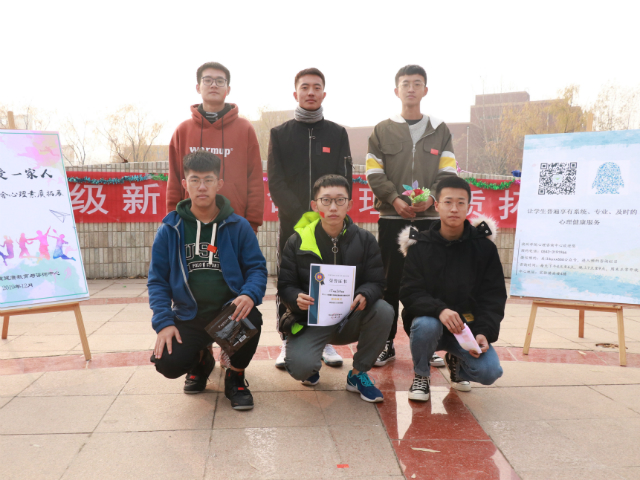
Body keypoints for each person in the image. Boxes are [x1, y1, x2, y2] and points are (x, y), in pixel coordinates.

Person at [149, 150, 268, 411]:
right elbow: (157, 281)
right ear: (185, 184)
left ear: (219, 184)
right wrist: (164, 322)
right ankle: (201, 360)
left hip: (227, 313)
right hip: (188, 316)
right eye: (195, 180)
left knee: (251, 317)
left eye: (208, 180)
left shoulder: (238, 226)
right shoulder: (170, 229)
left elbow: (257, 268)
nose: (201, 187)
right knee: (167, 363)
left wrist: (248, 293)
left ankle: (235, 375)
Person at [366, 64, 457, 368]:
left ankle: (426, 343)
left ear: (425, 90)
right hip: (392, 220)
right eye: (405, 84)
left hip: (429, 221)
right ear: (397, 90)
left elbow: (448, 171)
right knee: (389, 284)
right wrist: (394, 199)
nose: (411, 89)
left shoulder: (440, 130)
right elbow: (373, 172)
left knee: (429, 284)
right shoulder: (382, 130)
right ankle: (385, 342)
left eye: (417, 83)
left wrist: (432, 197)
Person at [277, 174, 393, 403]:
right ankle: (310, 366)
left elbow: (377, 282)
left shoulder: (365, 240)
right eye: (326, 200)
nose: (333, 207)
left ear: (349, 204)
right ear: (315, 205)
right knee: (300, 369)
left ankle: (358, 374)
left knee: (384, 310)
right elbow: (285, 285)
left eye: (340, 200)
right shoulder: (297, 240)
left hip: (350, 318)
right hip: (310, 321)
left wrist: (366, 294)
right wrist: (296, 298)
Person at [268, 68, 352, 369]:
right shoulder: (279, 134)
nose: (311, 92)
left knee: (326, 278)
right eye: (305, 87)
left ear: (324, 94)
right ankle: (287, 338)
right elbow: (275, 180)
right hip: (293, 223)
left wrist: (328, 211)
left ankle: (325, 339)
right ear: (296, 93)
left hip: (329, 222)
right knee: (290, 279)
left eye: (317, 87)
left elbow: (345, 179)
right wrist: (300, 214)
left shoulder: (337, 133)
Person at [398, 176, 506, 401]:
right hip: (431, 325)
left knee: (490, 372)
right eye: (448, 202)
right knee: (426, 324)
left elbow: (493, 296)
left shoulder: (484, 248)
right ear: (437, 205)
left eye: (460, 203)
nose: (454, 209)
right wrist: (439, 310)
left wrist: (484, 332)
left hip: (468, 329)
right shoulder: (420, 246)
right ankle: (421, 374)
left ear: (469, 207)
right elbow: (410, 291)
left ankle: (457, 362)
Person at [166, 61, 264, 232]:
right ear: (198, 87)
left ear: (228, 89)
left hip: (235, 224)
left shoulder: (244, 129)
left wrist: (252, 225)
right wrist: (173, 223)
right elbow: (174, 180)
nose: (213, 85)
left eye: (220, 81)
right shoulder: (183, 130)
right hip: (190, 225)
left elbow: (255, 180)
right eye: (208, 80)